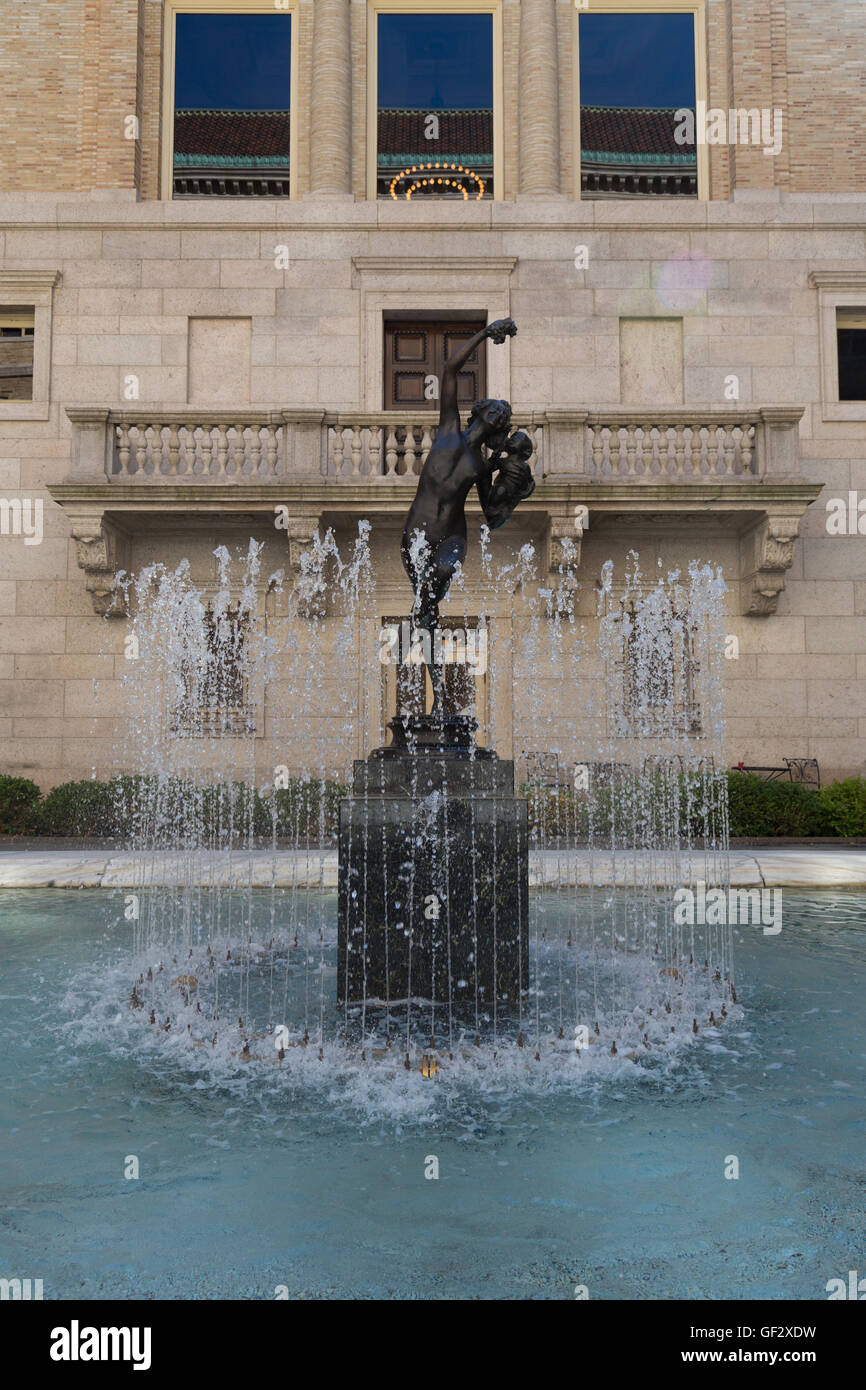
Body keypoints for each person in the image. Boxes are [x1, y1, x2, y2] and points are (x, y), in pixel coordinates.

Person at [400, 317, 533, 711]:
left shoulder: (483, 465)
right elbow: (448, 370)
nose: (498, 417)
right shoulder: (448, 430)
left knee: (441, 575)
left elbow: (492, 515)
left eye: (503, 418)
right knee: (425, 614)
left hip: (453, 537)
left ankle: (439, 695)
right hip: (416, 536)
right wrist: (483, 334)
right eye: (494, 411)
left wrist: (515, 481)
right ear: (479, 412)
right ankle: (439, 698)